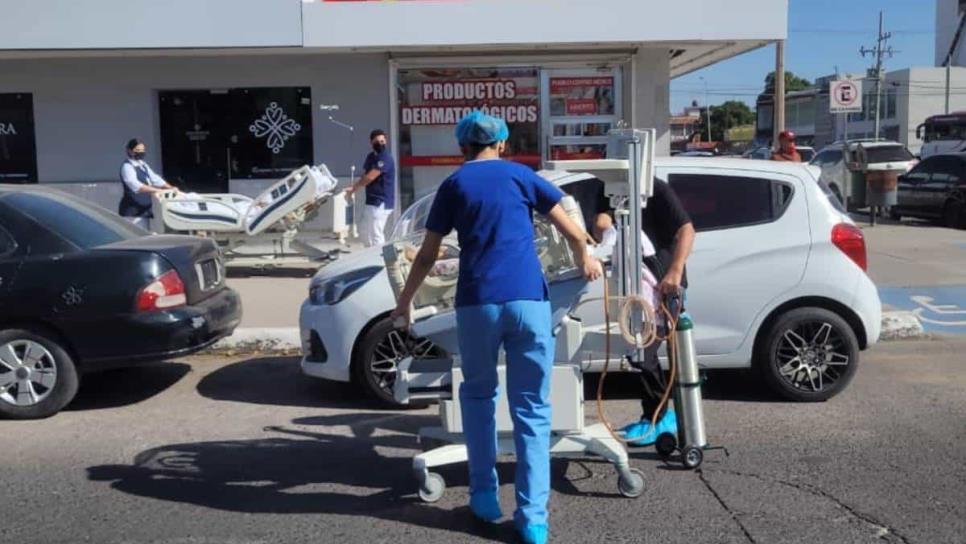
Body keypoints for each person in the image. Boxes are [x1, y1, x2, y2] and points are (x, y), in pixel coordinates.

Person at [390, 112, 602, 544]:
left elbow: (428, 255)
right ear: (502, 144)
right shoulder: (521, 177)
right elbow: (568, 223)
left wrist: (404, 301)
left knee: (479, 397)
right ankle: (533, 520)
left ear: (461, 147)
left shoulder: (454, 186)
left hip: (478, 303)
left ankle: (484, 497)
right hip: (527, 300)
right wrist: (585, 253)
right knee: (532, 409)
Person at [562, 174, 695, 446]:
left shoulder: (655, 189)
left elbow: (687, 231)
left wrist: (675, 270)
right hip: (632, 281)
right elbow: (602, 229)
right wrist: (602, 227)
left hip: (661, 281)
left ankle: (661, 418)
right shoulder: (606, 188)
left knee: (646, 352)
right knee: (637, 350)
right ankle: (653, 415)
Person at [346, 129, 395, 247]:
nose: (380, 144)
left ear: (386, 141)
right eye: (377, 142)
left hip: (382, 202)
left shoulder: (385, 158)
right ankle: (369, 254)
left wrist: (355, 188)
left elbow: (370, 177)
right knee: (363, 231)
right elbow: (365, 174)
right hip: (371, 201)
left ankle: (379, 260)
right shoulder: (371, 157)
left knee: (375, 233)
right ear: (371, 143)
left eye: (382, 141)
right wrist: (353, 186)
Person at [118, 138, 178, 228]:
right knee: (135, 237)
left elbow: (155, 179)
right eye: (138, 150)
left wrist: (170, 188)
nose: (141, 152)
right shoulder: (127, 167)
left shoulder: (142, 165)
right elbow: (136, 185)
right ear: (130, 151)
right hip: (132, 212)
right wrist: (157, 191)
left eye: (143, 150)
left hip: (144, 210)